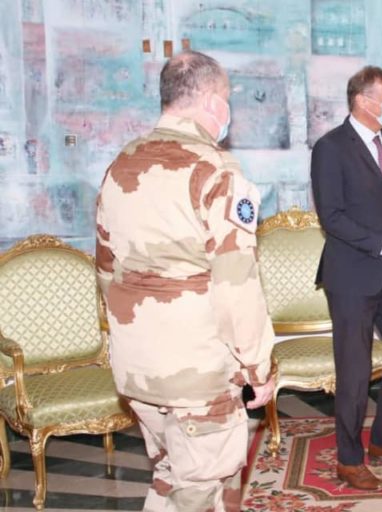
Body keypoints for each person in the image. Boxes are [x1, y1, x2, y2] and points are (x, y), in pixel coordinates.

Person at [95, 50, 275, 511]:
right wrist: (259, 368)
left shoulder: (122, 165)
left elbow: (106, 271)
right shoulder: (216, 170)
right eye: (227, 99)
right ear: (213, 102)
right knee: (202, 488)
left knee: (169, 475)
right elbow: (235, 287)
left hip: (138, 365)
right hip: (197, 371)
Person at [310, 65, 382, 490]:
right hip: (352, 277)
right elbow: (332, 217)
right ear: (363, 101)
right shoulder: (330, 148)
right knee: (355, 372)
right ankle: (349, 459)